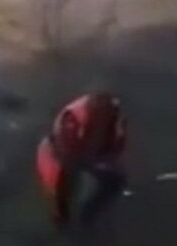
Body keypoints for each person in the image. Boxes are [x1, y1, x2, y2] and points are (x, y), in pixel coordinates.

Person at [37, 92, 127, 229]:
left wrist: (104, 160)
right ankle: (61, 213)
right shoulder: (72, 119)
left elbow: (117, 145)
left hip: (93, 153)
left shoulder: (116, 118)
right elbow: (65, 151)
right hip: (64, 152)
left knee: (116, 178)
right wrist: (92, 160)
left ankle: (88, 214)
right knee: (67, 173)